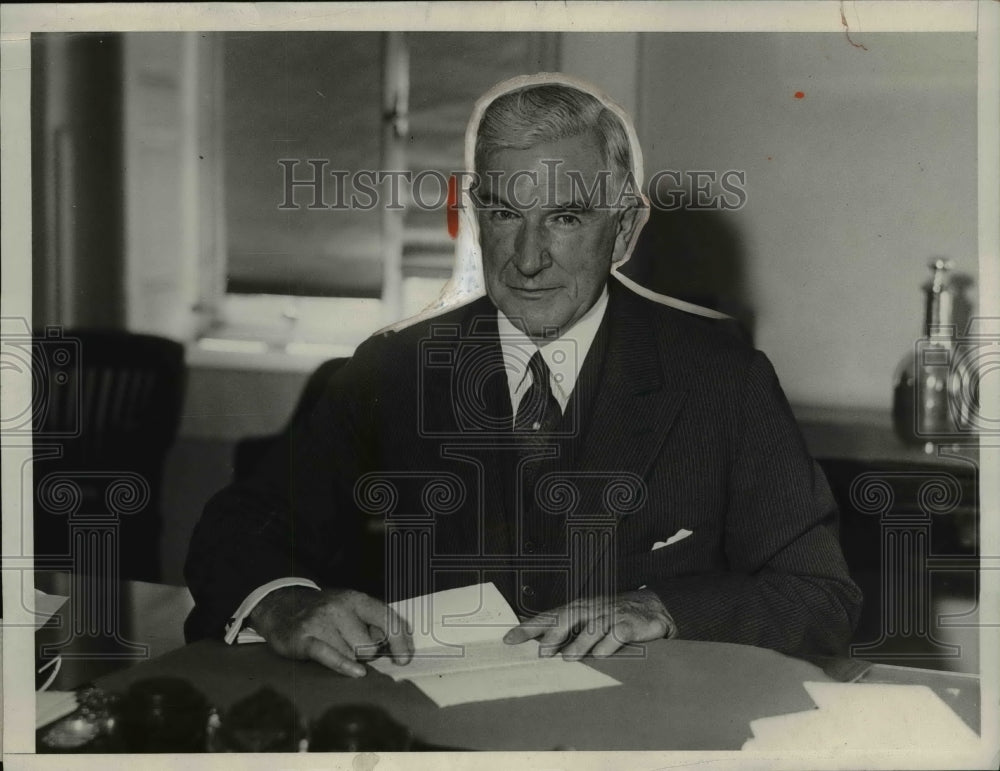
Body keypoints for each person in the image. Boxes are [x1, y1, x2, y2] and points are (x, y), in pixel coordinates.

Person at [185, 74, 862, 678]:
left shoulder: (722, 380)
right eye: (506, 214)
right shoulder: (393, 369)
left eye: (565, 217)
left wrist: (663, 608)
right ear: (475, 218)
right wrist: (284, 601)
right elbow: (240, 524)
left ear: (624, 230)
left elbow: (819, 595)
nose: (528, 258)